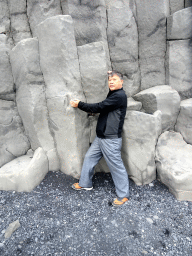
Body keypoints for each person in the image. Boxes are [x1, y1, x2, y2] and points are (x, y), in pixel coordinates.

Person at [70, 71, 129, 207]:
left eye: (114, 79)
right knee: (90, 157)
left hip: (110, 140)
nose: (111, 82)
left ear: (122, 81)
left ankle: (123, 195)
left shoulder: (119, 96)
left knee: (116, 167)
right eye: (109, 80)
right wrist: (111, 72)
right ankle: (85, 184)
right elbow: (105, 107)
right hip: (101, 137)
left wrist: (79, 104)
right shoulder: (113, 94)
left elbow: (99, 107)